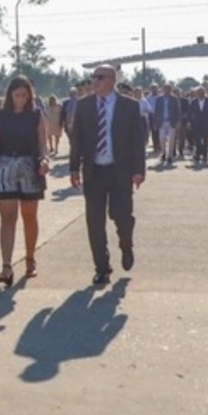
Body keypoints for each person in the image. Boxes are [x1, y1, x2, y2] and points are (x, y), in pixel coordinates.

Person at [70, 65, 146, 287]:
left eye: (100, 77)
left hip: (119, 171)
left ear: (112, 80)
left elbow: (137, 140)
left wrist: (139, 170)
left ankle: (126, 243)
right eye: (93, 77)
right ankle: (102, 268)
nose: (95, 81)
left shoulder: (129, 106)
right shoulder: (84, 106)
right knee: (94, 221)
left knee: (121, 215)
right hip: (94, 171)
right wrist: (74, 168)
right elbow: (77, 139)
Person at [0, 77, 49, 287]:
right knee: (7, 217)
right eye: (16, 95)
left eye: (24, 95)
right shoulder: (0, 116)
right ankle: (6, 265)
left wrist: (45, 159)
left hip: (29, 167)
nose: (20, 99)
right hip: (5, 167)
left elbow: (42, 143)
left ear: (29, 96)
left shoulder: (36, 115)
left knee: (29, 216)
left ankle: (30, 258)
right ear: (9, 95)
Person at [188, 87, 208, 165]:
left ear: (204, 93)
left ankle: (205, 155)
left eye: (202, 93)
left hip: (206, 124)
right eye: (198, 93)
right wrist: (189, 122)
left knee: (205, 140)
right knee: (197, 140)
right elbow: (190, 113)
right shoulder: (193, 102)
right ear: (196, 94)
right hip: (196, 124)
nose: (200, 94)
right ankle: (197, 155)